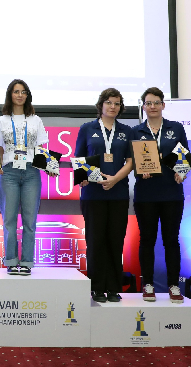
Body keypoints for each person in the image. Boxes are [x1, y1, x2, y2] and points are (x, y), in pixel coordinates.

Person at [74, 88, 133, 303]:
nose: (113, 106)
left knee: (115, 241)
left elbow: (131, 161)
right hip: (93, 193)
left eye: (117, 103)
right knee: (95, 241)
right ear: (101, 104)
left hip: (118, 192)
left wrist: (115, 179)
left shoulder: (127, 131)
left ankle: (114, 287)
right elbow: (79, 158)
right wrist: (84, 176)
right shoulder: (87, 128)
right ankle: (97, 287)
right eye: (109, 102)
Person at [131, 87, 188, 303]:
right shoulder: (136, 131)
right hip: (146, 194)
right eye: (148, 103)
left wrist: (182, 172)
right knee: (147, 239)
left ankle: (174, 285)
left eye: (156, 102)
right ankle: (148, 284)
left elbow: (184, 156)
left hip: (172, 193)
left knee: (171, 240)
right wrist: (140, 171)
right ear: (143, 107)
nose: (153, 106)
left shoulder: (176, 128)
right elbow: (131, 161)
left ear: (163, 105)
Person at [0, 79, 48, 276]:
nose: (20, 95)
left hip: (31, 172)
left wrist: (49, 166)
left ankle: (26, 261)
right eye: (16, 91)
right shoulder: (1, 121)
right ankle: (10, 260)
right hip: (9, 172)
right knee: (9, 220)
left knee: (29, 220)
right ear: (10, 95)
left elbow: (41, 148)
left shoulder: (36, 120)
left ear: (27, 96)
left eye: (23, 92)